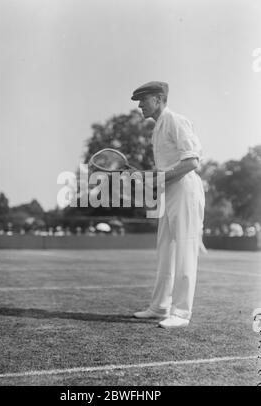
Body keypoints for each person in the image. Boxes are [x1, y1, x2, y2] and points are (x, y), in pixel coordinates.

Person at [131, 81, 205, 328]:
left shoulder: (175, 121)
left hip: (185, 190)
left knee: (184, 250)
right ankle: (160, 306)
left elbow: (191, 162)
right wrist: (155, 179)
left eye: (144, 99)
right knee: (165, 251)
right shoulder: (158, 128)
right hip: (169, 191)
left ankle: (181, 314)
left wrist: (157, 179)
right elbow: (168, 167)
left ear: (159, 99)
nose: (140, 105)